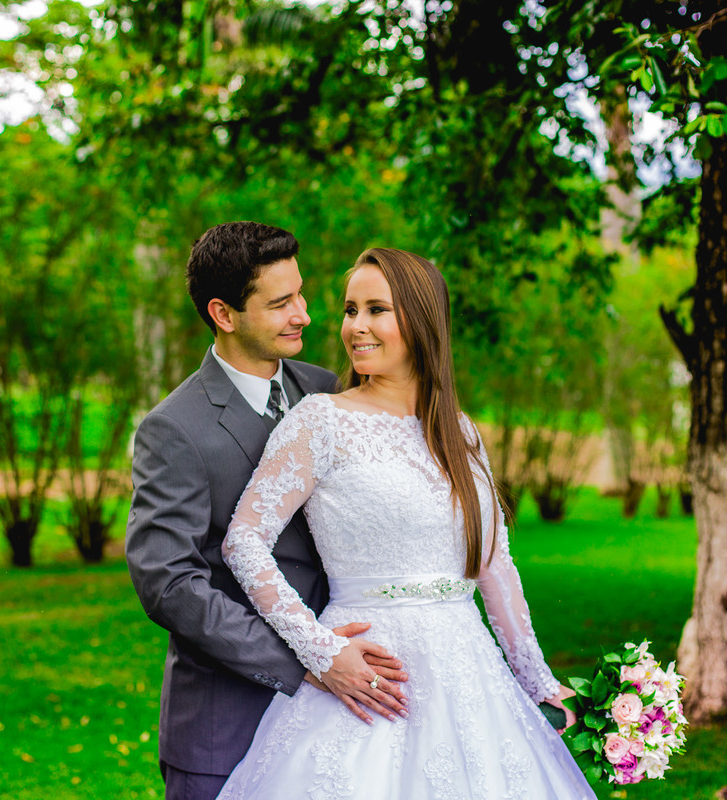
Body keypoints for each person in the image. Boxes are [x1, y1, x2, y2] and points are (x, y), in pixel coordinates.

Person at [216, 248, 596, 798]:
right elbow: (245, 541)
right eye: (351, 310)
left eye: (377, 309)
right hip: (370, 674)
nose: (356, 326)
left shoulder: (460, 431)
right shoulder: (320, 421)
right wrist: (319, 648)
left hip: (470, 674)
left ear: (421, 320)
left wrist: (539, 681)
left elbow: (493, 565)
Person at [125, 222, 409, 800]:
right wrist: (306, 657)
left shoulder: (328, 390)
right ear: (224, 314)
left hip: (346, 714)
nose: (304, 315)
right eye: (281, 304)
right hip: (227, 721)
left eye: (300, 295)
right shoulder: (173, 428)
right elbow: (168, 583)